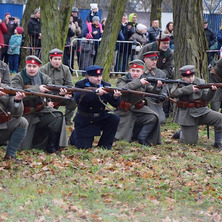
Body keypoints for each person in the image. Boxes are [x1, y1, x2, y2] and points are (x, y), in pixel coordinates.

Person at [11, 55, 67, 153]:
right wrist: (37, 89)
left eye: (34, 66)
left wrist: (60, 94)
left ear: (38, 67)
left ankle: (51, 146)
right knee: (23, 148)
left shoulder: (44, 78)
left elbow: (50, 95)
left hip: (41, 110)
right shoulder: (18, 77)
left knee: (58, 116)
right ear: (25, 66)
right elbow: (16, 94)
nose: (31, 69)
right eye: (29, 66)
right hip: (25, 114)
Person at [69, 65, 121, 149]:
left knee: (114, 118)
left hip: (100, 117)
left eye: (100, 76)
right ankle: (74, 136)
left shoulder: (105, 85)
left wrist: (115, 96)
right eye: (96, 76)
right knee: (84, 147)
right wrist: (95, 93)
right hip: (85, 120)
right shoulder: (80, 85)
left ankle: (105, 145)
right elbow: (78, 99)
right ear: (88, 76)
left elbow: (115, 104)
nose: (99, 78)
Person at [171, 65, 222, 149]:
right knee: (190, 142)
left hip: (202, 111)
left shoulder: (200, 81)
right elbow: (173, 93)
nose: (190, 79)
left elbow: (206, 98)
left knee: (220, 118)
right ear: (182, 77)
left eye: (191, 76)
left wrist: (212, 91)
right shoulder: (178, 83)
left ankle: (218, 143)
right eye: (187, 77)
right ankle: (181, 133)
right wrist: (189, 89)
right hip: (187, 114)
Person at [115, 59, 163, 146]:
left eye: (138, 71)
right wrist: (138, 82)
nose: (135, 73)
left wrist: (158, 87)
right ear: (129, 71)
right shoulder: (122, 79)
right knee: (120, 139)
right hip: (125, 111)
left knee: (153, 116)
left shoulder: (143, 80)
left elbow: (151, 91)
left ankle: (142, 138)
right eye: (133, 71)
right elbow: (123, 89)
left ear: (142, 72)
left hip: (138, 108)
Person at [40, 48, 77, 125]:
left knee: (73, 100)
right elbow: (40, 87)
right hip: (47, 96)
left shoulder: (66, 69)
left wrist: (67, 92)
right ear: (50, 59)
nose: (57, 61)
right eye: (55, 59)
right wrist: (48, 100)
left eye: (59, 59)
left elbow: (69, 85)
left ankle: (67, 119)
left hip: (61, 95)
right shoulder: (43, 69)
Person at [0, 74, 28, 162]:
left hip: (2, 128)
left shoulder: (6, 89)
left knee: (22, 122)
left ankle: (10, 155)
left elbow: (17, 114)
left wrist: (17, 100)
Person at [142, 51, 168, 124]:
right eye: (151, 60)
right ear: (145, 59)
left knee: (160, 120)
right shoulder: (139, 71)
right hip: (139, 98)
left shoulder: (160, 74)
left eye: (155, 60)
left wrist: (163, 95)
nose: (154, 62)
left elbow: (164, 89)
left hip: (153, 99)